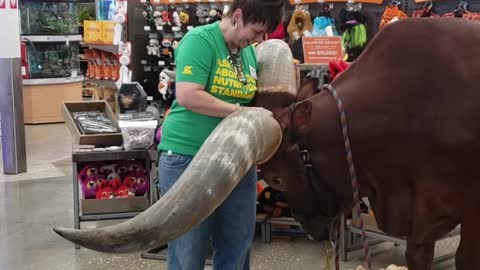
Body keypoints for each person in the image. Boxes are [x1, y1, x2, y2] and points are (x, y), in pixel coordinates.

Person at [157, 0, 284, 269]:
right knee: (189, 250)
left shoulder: (247, 52)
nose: (260, 39)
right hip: (188, 157)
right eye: (258, 31)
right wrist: (241, 112)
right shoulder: (199, 41)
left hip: (236, 161)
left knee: (237, 245)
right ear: (237, 16)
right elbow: (189, 95)